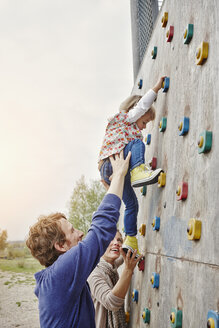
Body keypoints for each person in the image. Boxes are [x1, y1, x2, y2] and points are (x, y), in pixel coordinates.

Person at [26, 150, 131, 328]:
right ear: (60, 245)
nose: (80, 233)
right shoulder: (62, 272)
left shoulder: (58, 278)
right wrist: (120, 174)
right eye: (72, 231)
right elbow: (100, 231)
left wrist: (114, 190)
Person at [98, 77, 165, 257]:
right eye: (144, 122)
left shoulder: (124, 125)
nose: (143, 128)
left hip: (113, 169)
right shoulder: (126, 118)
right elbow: (142, 105)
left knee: (131, 204)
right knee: (137, 142)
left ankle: (131, 240)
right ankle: (138, 172)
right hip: (115, 163)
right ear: (134, 112)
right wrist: (156, 88)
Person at [88, 230, 141, 328]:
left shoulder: (111, 265)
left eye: (119, 240)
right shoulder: (94, 273)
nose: (116, 243)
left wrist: (130, 236)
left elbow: (122, 257)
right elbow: (111, 302)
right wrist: (128, 270)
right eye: (110, 240)